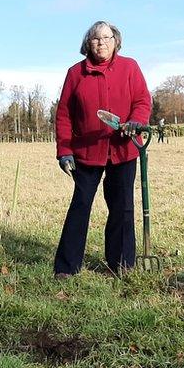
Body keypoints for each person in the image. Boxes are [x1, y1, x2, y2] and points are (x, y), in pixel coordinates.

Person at [54, 20, 151, 278]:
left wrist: (136, 122)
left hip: (123, 148)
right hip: (87, 151)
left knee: (123, 206)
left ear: (116, 41)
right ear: (88, 43)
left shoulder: (130, 67)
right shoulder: (76, 73)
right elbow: (64, 115)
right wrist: (64, 149)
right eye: (96, 39)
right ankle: (66, 266)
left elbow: (142, 100)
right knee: (81, 204)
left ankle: (120, 264)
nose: (102, 43)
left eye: (107, 38)